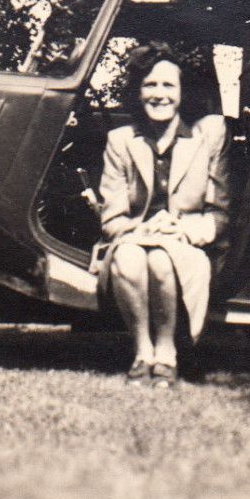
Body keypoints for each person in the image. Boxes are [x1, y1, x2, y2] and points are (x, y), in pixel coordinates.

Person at [96, 42, 230, 388]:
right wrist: (145, 227)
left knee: (160, 260)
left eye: (168, 85)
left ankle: (167, 353)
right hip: (133, 239)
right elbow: (112, 220)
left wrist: (180, 229)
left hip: (185, 244)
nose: (159, 94)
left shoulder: (207, 138)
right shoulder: (120, 140)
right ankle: (142, 352)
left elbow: (218, 215)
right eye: (150, 85)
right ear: (137, 92)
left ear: (183, 93)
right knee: (127, 257)